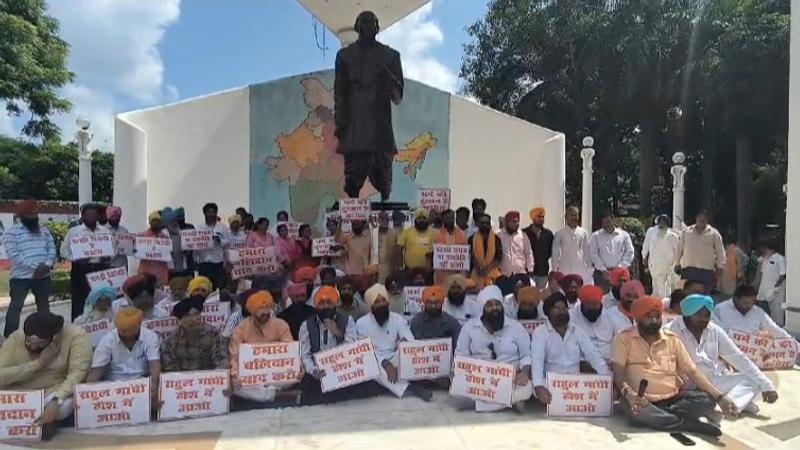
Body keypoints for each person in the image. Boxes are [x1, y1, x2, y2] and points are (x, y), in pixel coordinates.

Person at [611, 296, 738, 436]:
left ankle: (659, 418)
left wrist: (720, 398)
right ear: (637, 318)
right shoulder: (623, 339)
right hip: (640, 399)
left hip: (672, 399)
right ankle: (689, 425)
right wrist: (628, 394)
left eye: (657, 316)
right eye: (648, 316)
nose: (654, 321)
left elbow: (692, 371)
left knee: (707, 400)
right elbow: (618, 371)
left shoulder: (672, 339)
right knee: (634, 408)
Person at [668, 294, 778, 415]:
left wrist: (768, 386)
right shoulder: (671, 331)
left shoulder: (714, 330)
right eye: (699, 314)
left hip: (713, 381)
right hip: (685, 386)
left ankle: (728, 407)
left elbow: (738, 357)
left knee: (753, 380)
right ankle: (735, 403)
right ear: (688, 313)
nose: (704, 319)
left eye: (707, 315)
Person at [335, 10, 403, 200]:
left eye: (371, 22)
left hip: (380, 127)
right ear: (356, 26)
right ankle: (352, 215)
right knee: (352, 182)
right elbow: (339, 93)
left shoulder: (390, 56)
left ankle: (385, 207)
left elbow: (398, 97)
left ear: (377, 27)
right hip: (355, 128)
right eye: (363, 22)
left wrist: (386, 75)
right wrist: (340, 123)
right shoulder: (345, 56)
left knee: (384, 182)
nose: (367, 26)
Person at [0, 312, 91, 439]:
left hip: (51, 393)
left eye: (40, 343)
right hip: (18, 392)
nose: (33, 346)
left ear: (54, 337)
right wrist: (39, 363)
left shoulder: (76, 335)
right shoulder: (16, 337)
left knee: (65, 406)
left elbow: (78, 373)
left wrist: (56, 400)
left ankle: (44, 421)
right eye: (28, 341)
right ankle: (41, 422)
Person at [455, 286, 533, 412]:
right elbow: (461, 356)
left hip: (511, 380)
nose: (495, 308)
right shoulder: (469, 328)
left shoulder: (516, 327)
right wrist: (463, 374)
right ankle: (510, 401)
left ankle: (479, 405)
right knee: (458, 391)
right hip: (480, 381)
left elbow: (526, 355)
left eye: (497, 304)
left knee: (527, 387)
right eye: (489, 305)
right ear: (482, 309)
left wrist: (524, 372)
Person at [299, 286, 382, 405]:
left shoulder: (347, 320)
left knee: (370, 385)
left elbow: (352, 348)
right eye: (321, 303)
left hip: (342, 371)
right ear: (316, 305)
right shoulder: (306, 325)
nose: (326, 306)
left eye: (329, 302)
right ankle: (331, 395)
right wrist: (314, 371)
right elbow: (305, 355)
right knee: (308, 383)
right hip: (319, 373)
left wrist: (338, 333)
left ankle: (326, 396)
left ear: (336, 304)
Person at [532, 292, 610, 405]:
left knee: (598, 389)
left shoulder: (577, 330)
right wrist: (538, 386)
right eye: (557, 308)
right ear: (548, 312)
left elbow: (593, 354)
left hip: (576, 384)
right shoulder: (540, 332)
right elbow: (537, 360)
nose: (562, 311)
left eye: (564, 308)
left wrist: (607, 376)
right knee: (536, 389)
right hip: (551, 383)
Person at [356, 284, 432, 400]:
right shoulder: (362, 323)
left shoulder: (397, 318)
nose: (381, 304)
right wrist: (386, 364)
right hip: (377, 359)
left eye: (383, 301)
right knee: (370, 364)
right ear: (371, 305)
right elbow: (367, 350)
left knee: (411, 352)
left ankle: (394, 381)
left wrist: (403, 344)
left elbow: (410, 340)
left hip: (395, 356)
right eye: (377, 302)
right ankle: (410, 388)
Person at [229, 291, 296, 403]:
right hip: (252, 377)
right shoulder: (241, 329)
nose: (265, 312)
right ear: (252, 311)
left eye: (267, 308)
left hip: (276, 374)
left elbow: (290, 352)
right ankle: (278, 395)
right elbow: (234, 355)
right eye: (260, 309)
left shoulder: (280, 324)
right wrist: (235, 376)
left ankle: (263, 394)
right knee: (236, 386)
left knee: (293, 377)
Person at [3, 200, 56, 337]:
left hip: (43, 277)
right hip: (20, 278)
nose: (34, 216)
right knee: (15, 309)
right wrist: (36, 268)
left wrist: (47, 265)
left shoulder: (44, 230)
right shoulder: (11, 233)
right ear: (21, 216)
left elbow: (52, 249)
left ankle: (45, 335)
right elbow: (14, 255)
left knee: (44, 308)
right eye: (30, 214)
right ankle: (10, 338)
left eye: (35, 213)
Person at [87, 308, 161, 401]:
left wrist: (154, 387)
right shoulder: (107, 340)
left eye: (129, 330)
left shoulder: (150, 337)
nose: (125, 333)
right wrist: (85, 393)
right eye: (122, 330)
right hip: (114, 385)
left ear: (138, 326)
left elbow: (154, 364)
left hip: (142, 384)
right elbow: (97, 370)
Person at [62, 203, 111, 320]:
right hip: (80, 270)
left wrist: (107, 257)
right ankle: (77, 328)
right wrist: (76, 259)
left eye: (94, 215)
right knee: (79, 301)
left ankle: (100, 324)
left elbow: (112, 250)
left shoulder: (105, 232)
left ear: (98, 217)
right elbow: (63, 250)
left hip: (100, 269)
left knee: (100, 298)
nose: (91, 218)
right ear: (82, 217)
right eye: (88, 215)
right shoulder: (74, 232)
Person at [161, 296, 228, 372]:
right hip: (183, 381)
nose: (195, 318)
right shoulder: (170, 342)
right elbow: (170, 370)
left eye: (197, 314)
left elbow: (222, 362)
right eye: (188, 315)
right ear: (178, 320)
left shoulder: (213, 334)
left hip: (210, 379)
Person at [675, 210, 726, 293]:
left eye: (705, 218)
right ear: (696, 219)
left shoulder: (714, 233)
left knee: (704, 296)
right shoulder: (686, 232)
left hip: (706, 271)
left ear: (707, 220)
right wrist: (677, 263)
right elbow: (679, 249)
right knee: (687, 295)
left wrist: (720, 266)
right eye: (700, 218)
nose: (702, 220)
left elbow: (720, 251)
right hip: (689, 270)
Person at [714, 285, 792, 339]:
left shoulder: (757, 312)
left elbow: (775, 330)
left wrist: (794, 343)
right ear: (736, 299)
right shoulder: (720, 309)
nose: (749, 306)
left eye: (752, 303)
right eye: (746, 303)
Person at [589, 211, 634, 290]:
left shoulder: (624, 235)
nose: (606, 224)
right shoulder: (596, 236)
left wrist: (619, 268)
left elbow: (629, 252)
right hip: (602, 274)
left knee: (621, 297)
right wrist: (603, 269)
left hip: (621, 273)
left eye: (608, 222)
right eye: (604, 222)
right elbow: (593, 254)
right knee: (603, 298)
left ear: (614, 221)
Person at [641, 215, 680, 299]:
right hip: (653, 263)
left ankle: (664, 303)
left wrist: (677, 264)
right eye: (660, 221)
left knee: (664, 286)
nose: (662, 224)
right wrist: (644, 256)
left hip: (666, 264)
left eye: (664, 222)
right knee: (655, 285)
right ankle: (655, 303)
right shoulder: (651, 232)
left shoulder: (672, 236)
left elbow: (678, 251)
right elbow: (646, 245)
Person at [570, 285, 614, 359]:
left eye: (595, 304)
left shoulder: (611, 316)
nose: (592, 307)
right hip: (580, 364)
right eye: (588, 304)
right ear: (582, 304)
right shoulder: (570, 317)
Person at [551, 206, 592, 285]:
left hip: (580, 266)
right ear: (566, 217)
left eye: (576, 215)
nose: (574, 218)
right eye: (571, 215)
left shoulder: (583, 232)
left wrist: (589, 268)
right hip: (565, 266)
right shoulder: (560, 233)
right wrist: (555, 270)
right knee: (566, 286)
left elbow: (587, 251)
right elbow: (555, 253)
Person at [195, 202, 230, 290]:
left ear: (216, 213)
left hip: (218, 262)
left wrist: (220, 240)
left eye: (213, 212)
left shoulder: (222, 227)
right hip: (204, 262)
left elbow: (228, 242)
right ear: (204, 213)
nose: (211, 214)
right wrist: (195, 259)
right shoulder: (199, 228)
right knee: (204, 288)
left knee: (219, 288)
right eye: (208, 212)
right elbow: (195, 244)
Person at [755, 240, 786, 326]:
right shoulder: (764, 259)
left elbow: (782, 275)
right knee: (763, 315)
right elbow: (761, 274)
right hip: (763, 292)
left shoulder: (779, 258)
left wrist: (775, 287)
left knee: (776, 316)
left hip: (775, 292)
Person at [433, 208, 468, 285]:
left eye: (452, 218)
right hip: (442, 273)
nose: (450, 220)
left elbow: (466, 253)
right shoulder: (436, 234)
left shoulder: (462, 234)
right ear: (442, 219)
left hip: (459, 272)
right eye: (447, 218)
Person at [468, 213, 503, 288]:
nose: (484, 225)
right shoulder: (471, 239)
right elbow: (470, 256)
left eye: (487, 223)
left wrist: (487, 269)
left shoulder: (496, 239)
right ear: (478, 224)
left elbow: (499, 256)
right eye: (482, 223)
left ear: (490, 224)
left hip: (493, 272)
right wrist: (479, 269)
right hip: (477, 273)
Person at [497, 210, 535, 278]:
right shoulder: (498, 235)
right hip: (503, 274)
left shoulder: (523, 236)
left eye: (517, 221)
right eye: (513, 222)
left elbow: (528, 253)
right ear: (506, 222)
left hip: (520, 273)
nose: (516, 224)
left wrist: (530, 269)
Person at [523, 207, 554, 289]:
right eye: (538, 217)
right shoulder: (524, 233)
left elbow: (550, 252)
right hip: (528, 272)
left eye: (542, 217)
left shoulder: (548, 234)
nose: (541, 219)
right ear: (533, 218)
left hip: (543, 272)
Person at [138, 210, 171, 284]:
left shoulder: (165, 238)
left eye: (158, 220)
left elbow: (168, 252)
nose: (156, 222)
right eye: (153, 220)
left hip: (161, 272)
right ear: (149, 222)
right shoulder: (141, 236)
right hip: (145, 270)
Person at [162, 208, 195, 280]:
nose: (174, 223)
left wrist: (188, 250)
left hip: (184, 270)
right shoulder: (162, 235)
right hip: (170, 271)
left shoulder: (183, 233)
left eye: (175, 220)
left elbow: (190, 251)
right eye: (171, 221)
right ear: (167, 223)